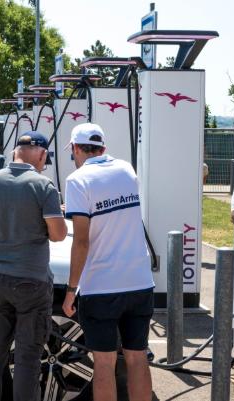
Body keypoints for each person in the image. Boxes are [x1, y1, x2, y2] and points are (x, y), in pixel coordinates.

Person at [61, 123, 155, 401]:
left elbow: (81, 241)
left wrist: (71, 291)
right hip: (139, 282)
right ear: (103, 148)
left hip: (101, 285)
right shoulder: (126, 170)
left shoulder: (77, 180)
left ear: (76, 148)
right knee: (137, 357)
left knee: (104, 362)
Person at [0, 131, 68, 401]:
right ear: (41, 154)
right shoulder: (44, 186)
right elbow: (58, 235)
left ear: (15, 152)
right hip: (31, 281)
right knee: (27, 358)